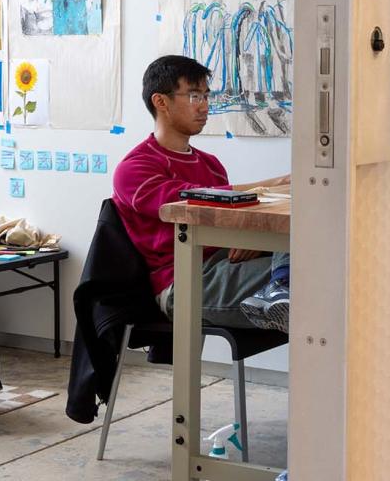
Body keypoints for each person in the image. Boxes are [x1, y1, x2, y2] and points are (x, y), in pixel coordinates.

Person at [113, 54, 292, 331]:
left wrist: (250, 239)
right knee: (314, 276)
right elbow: (190, 199)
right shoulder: (134, 168)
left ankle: (282, 285)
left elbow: (227, 217)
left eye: (207, 97)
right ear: (160, 102)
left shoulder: (211, 164)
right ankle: (284, 285)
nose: (205, 106)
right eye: (195, 97)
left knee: (311, 240)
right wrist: (276, 183)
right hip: (185, 280)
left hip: (225, 261)